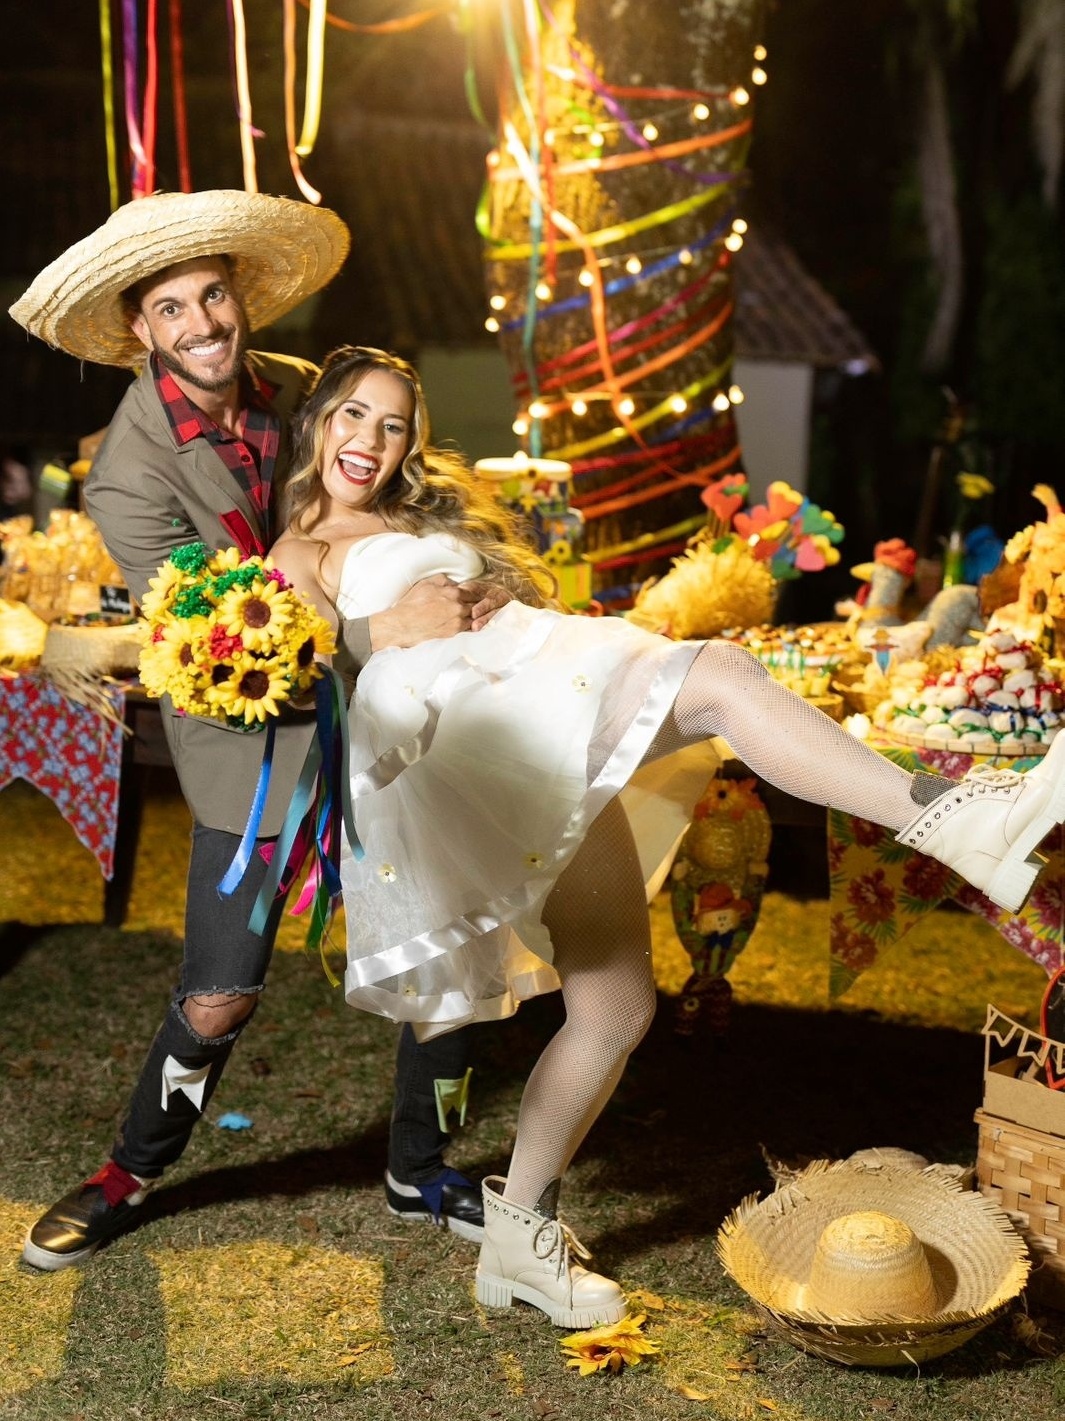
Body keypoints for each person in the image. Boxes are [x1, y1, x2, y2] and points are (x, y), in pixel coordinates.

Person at [272, 344, 1065, 1330]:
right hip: (459, 738)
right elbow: (307, 649)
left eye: (393, 424)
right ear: (316, 424)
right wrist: (383, 623)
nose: (371, 441)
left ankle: (517, 1241)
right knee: (724, 676)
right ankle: (967, 821)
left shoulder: (428, 516)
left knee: (615, 1003)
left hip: (529, 694)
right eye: (353, 415)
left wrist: (487, 593)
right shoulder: (299, 547)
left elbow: (521, 605)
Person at [8, 191, 502, 1270]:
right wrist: (378, 624)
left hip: (389, 718)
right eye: (171, 306)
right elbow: (212, 647)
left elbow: (374, 504)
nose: (202, 323)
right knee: (221, 989)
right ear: (139, 328)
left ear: (240, 295)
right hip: (255, 739)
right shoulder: (128, 476)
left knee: (448, 946)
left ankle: (419, 1165)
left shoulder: (299, 394)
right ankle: (127, 1170)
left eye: (214, 294)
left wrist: (450, 575)